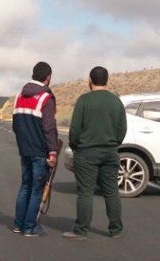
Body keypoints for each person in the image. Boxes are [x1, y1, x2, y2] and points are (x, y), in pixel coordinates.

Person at [63, 66, 127, 240]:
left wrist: (76, 146)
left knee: (85, 192)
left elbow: (75, 129)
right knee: (112, 191)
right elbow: (122, 129)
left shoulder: (84, 100)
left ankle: (81, 229)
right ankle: (116, 229)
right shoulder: (116, 101)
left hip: (87, 151)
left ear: (90, 80)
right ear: (107, 80)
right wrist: (113, 143)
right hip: (110, 151)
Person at [12, 61, 60, 237]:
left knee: (25, 186)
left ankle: (18, 224)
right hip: (40, 151)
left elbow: (16, 125)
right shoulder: (46, 98)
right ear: (48, 78)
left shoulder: (19, 96)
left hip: (24, 150)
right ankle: (30, 227)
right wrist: (53, 152)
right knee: (36, 189)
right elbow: (49, 127)